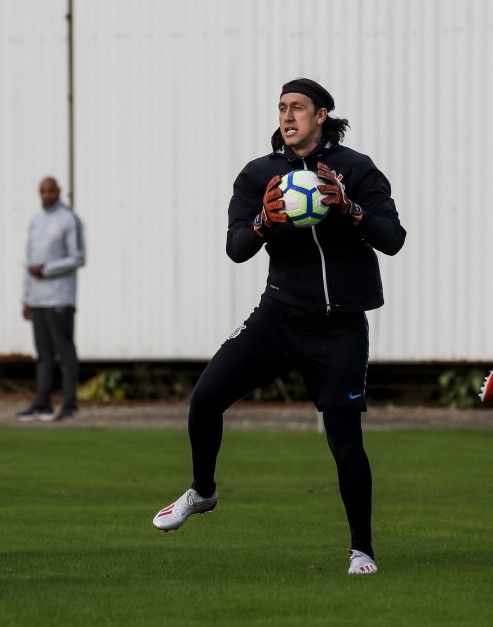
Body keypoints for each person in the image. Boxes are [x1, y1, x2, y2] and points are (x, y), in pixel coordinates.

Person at [151, 78, 406, 575]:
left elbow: (393, 238)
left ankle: (362, 551)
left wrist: (349, 209)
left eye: (299, 108)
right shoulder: (258, 175)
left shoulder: (356, 168)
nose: (287, 117)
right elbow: (236, 248)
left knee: (345, 443)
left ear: (323, 115)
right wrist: (263, 224)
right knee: (205, 397)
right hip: (278, 318)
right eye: (282, 108)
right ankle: (202, 491)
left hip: (339, 329)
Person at [17, 176, 86, 422]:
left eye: (50, 191)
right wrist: (25, 297)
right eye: (42, 191)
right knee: (44, 355)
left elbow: (78, 258)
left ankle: (70, 405)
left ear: (59, 191)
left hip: (59, 298)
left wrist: (46, 269)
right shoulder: (35, 221)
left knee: (65, 353)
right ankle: (42, 404)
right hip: (38, 300)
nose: (46, 195)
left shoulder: (69, 219)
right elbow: (28, 262)